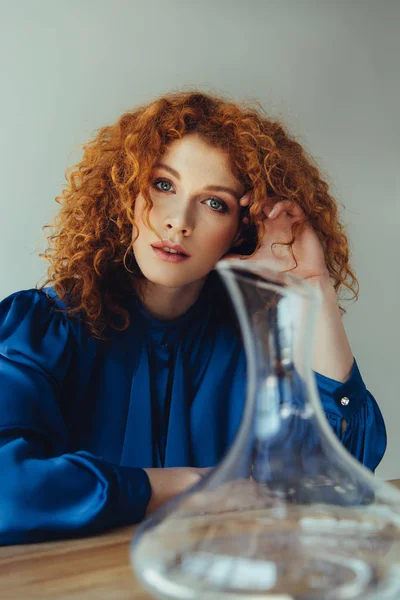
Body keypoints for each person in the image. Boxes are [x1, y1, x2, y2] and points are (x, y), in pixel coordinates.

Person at [0, 90, 386, 545]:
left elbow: (343, 475)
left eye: (214, 203)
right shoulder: (42, 327)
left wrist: (316, 289)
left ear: (243, 229)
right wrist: (195, 487)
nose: (179, 222)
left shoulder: (257, 341)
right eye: (163, 185)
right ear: (126, 190)